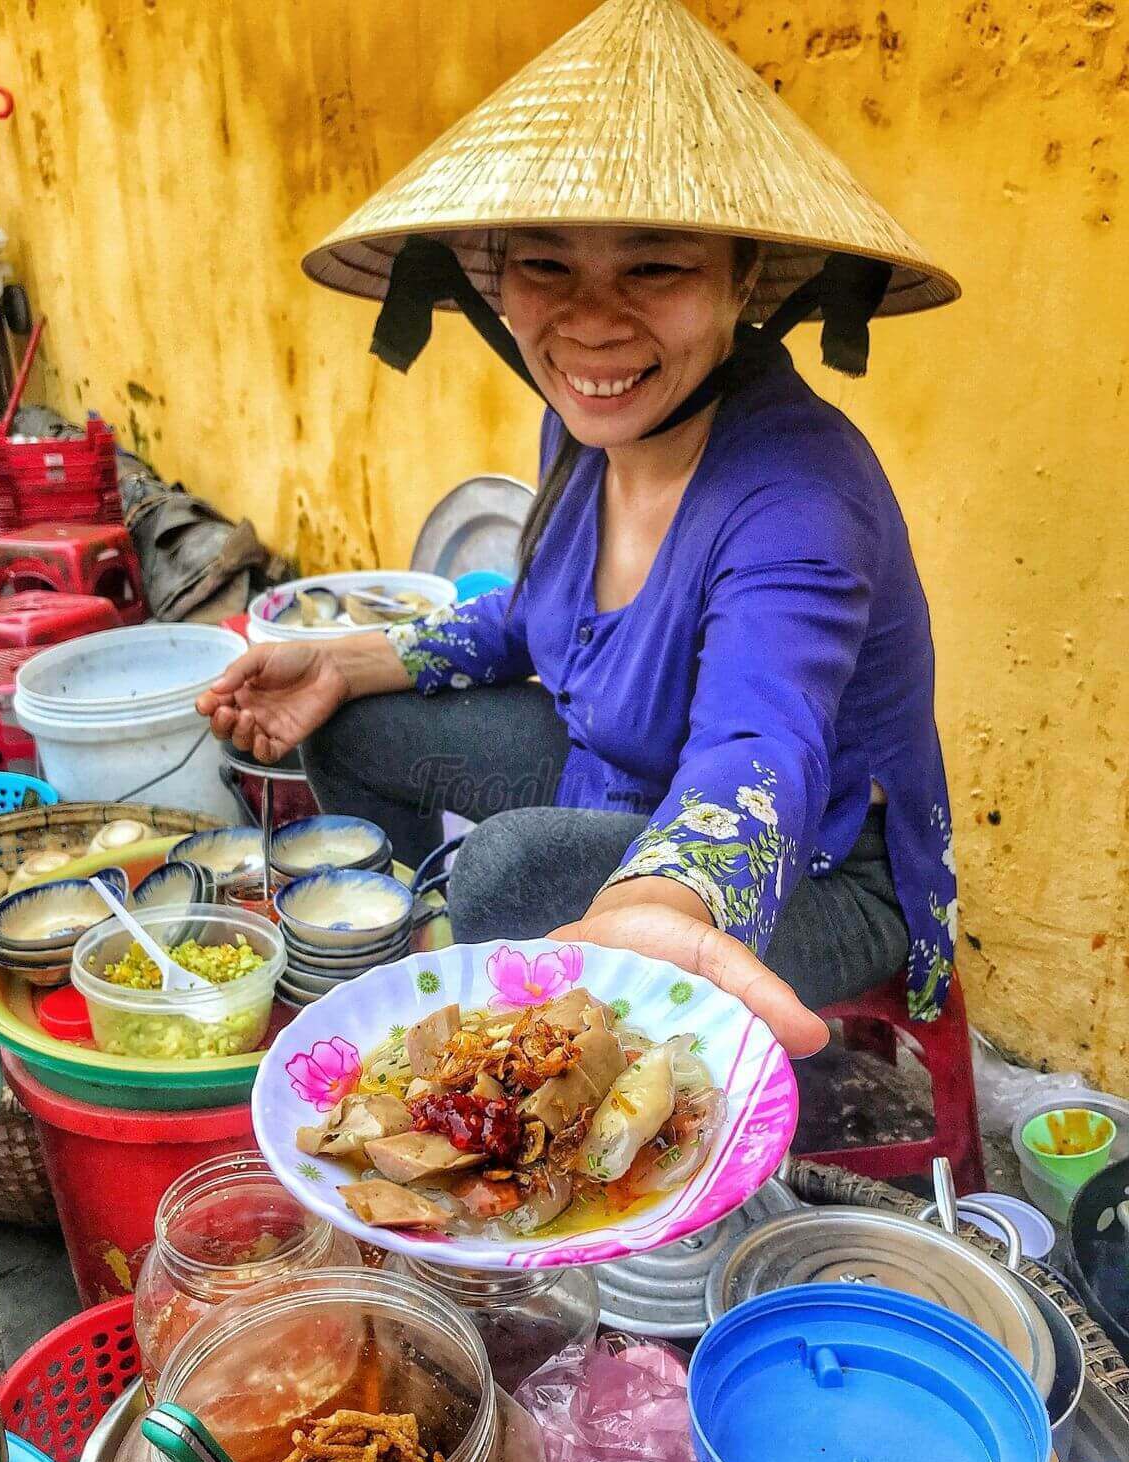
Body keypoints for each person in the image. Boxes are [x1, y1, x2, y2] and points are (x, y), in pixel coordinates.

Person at [197, 0, 962, 1062]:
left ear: (743, 279)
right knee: (349, 722)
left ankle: (542, 1071)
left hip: (826, 862)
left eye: (656, 267)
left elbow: (762, 736)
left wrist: (666, 899)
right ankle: (418, 987)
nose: (593, 324)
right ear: (498, 276)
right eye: (547, 266)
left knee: (507, 870)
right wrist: (344, 658)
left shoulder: (799, 497)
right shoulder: (585, 420)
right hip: (621, 769)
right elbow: (543, 618)